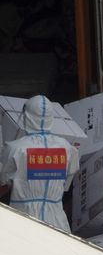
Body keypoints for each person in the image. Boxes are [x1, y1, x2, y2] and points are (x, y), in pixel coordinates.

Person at [0, 96, 79, 231]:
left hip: (23, 218)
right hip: (57, 220)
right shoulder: (67, 148)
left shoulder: (15, 148)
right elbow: (68, 180)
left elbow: (3, 180)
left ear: (27, 116)